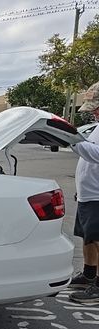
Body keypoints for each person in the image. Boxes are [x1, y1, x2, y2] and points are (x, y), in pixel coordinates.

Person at [67, 80, 99, 302]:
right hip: (89, 194)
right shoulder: (98, 126)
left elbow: (95, 154)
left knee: (98, 240)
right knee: (88, 239)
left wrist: (70, 139)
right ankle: (88, 275)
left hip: (98, 196)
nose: (94, 113)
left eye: (96, 108)